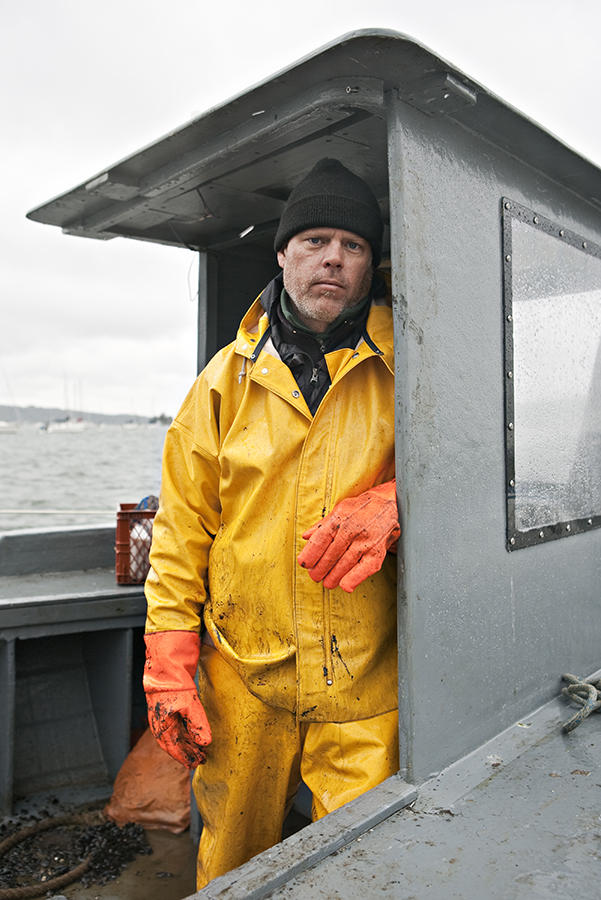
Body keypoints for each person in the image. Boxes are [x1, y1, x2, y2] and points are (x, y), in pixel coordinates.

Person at [143, 158, 401, 889]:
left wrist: (398, 501)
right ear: (282, 254)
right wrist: (168, 668)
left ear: (370, 265)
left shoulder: (413, 369)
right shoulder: (221, 383)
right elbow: (180, 530)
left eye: (351, 246)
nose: (332, 259)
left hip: (364, 676)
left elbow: (479, 465)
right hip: (242, 674)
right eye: (315, 240)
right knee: (230, 863)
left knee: (365, 868)